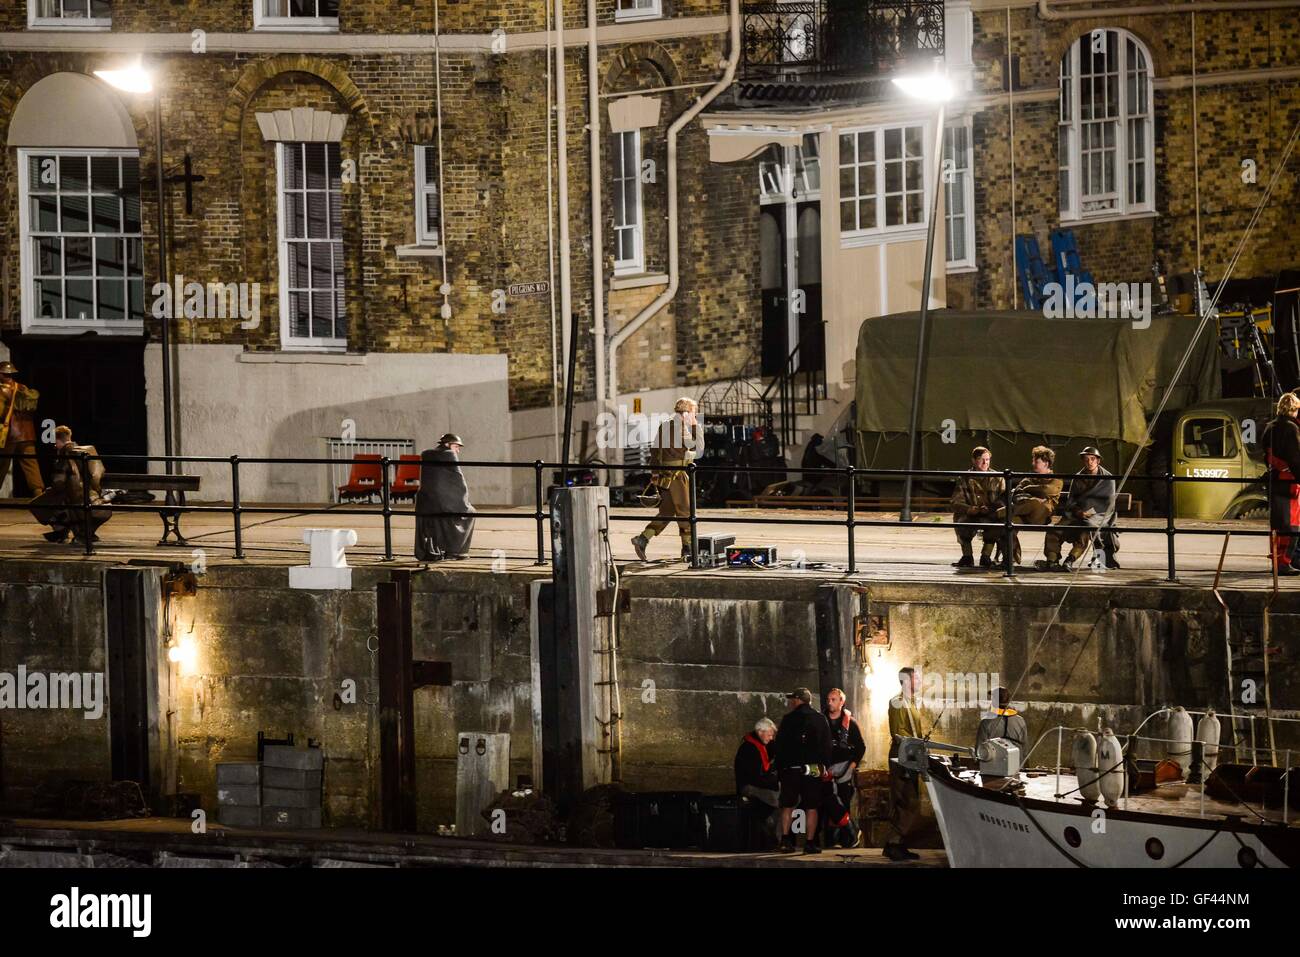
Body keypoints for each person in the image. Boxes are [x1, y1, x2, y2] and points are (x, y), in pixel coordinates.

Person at [631, 397, 705, 563]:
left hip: (665, 475)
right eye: (694, 412)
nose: (696, 415)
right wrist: (695, 426)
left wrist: (655, 474)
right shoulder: (687, 427)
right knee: (685, 511)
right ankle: (687, 548)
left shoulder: (664, 426)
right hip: (679, 475)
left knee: (667, 511)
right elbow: (700, 449)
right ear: (687, 412)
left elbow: (655, 452)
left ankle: (643, 538)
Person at [1037, 446, 1117, 571]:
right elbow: (1072, 500)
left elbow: (1107, 503)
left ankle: (1070, 560)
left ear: (1098, 461)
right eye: (1086, 459)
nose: (1089, 462)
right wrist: (1078, 511)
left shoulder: (1108, 479)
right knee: (1055, 530)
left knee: (1086, 529)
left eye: (1092, 459)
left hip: (1098, 514)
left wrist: (1089, 513)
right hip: (1077, 513)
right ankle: (1052, 560)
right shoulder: (1078, 477)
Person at [773, 687, 832, 855]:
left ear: (798, 700)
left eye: (793, 699)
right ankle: (810, 843)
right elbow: (827, 746)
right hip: (812, 769)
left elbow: (780, 746)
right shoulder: (820, 719)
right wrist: (824, 767)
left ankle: (785, 841)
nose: (792, 702)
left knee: (788, 805)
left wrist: (781, 768)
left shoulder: (788, 719)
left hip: (791, 769)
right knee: (812, 807)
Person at [28, 425, 109, 543]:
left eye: (55, 442)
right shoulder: (85, 450)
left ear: (59, 440)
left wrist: (51, 489)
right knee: (61, 502)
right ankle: (70, 531)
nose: (55, 446)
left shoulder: (64, 455)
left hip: (73, 496)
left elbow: (58, 482)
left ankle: (61, 529)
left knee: (37, 505)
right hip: (90, 494)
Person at [994, 445, 1063, 566]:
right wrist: (1034, 494)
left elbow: (1047, 490)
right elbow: (1017, 493)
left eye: (1036, 461)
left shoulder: (1056, 480)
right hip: (1023, 515)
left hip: (1040, 517)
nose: (1033, 463)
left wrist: (1029, 490)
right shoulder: (1029, 478)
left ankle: (1001, 511)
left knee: (1036, 504)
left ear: (1046, 463)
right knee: (1006, 524)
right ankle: (1010, 558)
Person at [415, 433, 475, 562]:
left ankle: (440, 549)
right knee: (470, 512)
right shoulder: (449, 455)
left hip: (425, 501)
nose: (458, 450)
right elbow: (459, 481)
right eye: (456, 446)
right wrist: (464, 502)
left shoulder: (426, 454)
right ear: (447, 445)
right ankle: (455, 551)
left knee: (440, 516)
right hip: (444, 502)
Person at [884, 667, 924, 861]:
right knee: (907, 801)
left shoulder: (911, 703)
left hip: (911, 756)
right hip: (904, 757)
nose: (920, 681)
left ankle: (897, 843)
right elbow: (899, 734)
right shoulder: (898, 703)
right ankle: (894, 843)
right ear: (907, 680)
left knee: (907, 800)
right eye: (917, 677)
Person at [821, 687, 866, 849]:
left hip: (845, 769)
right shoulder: (821, 720)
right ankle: (833, 839)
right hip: (825, 769)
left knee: (843, 802)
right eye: (828, 699)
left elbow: (861, 747)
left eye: (833, 699)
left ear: (842, 702)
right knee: (830, 803)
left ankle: (845, 839)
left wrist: (852, 766)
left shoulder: (850, 723)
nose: (830, 702)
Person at [1262, 392, 1300, 576]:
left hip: (1274, 480)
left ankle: (1276, 561)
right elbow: (1295, 458)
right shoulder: (1291, 429)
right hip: (1289, 482)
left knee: (1276, 524)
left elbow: (1266, 455)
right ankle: (1284, 562)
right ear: (1293, 409)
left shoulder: (1269, 427)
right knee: (1292, 524)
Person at [950, 446, 1004, 568]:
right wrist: (968, 509)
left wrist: (990, 508)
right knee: (961, 521)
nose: (985, 462)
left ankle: (986, 556)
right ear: (974, 460)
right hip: (971, 514)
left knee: (998, 524)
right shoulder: (964, 478)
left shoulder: (998, 478)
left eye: (988, 459)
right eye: (981, 459)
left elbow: (1003, 499)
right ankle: (967, 556)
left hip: (990, 514)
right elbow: (956, 501)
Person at [0, 360, 44, 497]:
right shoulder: (23, 388)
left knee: (2, 464)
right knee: (31, 464)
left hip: (9, 435)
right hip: (27, 434)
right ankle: (38, 492)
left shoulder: (2, 390)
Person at [734, 717, 780, 843]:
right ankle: (775, 838)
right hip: (749, 786)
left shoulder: (762, 744)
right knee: (778, 799)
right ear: (760, 732)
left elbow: (776, 751)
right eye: (770, 735)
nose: (771, 738)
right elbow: (755, 776)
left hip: (760, 783)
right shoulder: (749, 749)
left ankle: (774, 836)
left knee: (783, 797)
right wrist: (774, 782)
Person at [974, 686, 1030, 763]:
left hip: (994, 767)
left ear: (994, 702)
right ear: (1008, 701)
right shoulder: (1020, 720)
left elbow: (980, 750)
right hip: (1016, 766)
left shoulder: (986, 722)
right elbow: (1025, 749)